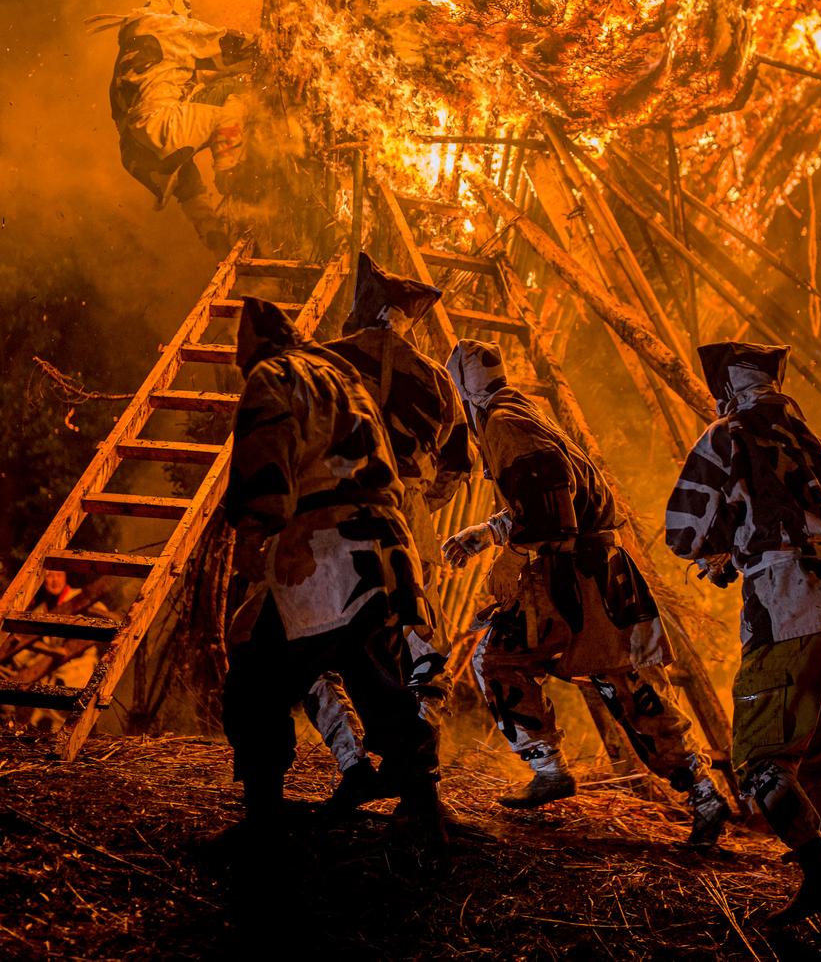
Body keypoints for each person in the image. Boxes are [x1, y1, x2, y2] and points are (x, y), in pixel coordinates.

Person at [442, 339, 730, 848]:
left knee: (510, 663)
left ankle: (556, 770)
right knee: (616, 684)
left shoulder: (504, 423)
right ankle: (697, 792)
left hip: (576, 578)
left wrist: (511, 556)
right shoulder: (523, 413)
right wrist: (487, 533)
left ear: (464, 390)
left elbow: (552, 506)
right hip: (593, 572)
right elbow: (553, 496)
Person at [665, 340, 821, 943]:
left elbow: (682, 531)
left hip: (788, 605)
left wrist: (725, 553)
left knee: (760, 764)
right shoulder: (811, 440)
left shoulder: (726, 435)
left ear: (728, 388)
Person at [221, 297, 447, 843]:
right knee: (379, 677)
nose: (239, 360)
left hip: (323, 547)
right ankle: (422, 804)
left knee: (256, 677)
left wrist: (253, 530)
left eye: (240, 350)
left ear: (258, 344)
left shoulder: (274, 376)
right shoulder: (343, 376)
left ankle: (264, 818)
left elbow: (265, 459)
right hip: (386, 544)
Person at [305, 252, 473, 812]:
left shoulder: (322, 362)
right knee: (419, 646)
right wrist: (416, 498)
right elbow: (457, 468)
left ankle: (353, 763)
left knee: (309, 644)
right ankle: (420, 777)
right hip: (406, 524)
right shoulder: (437, 380)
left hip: (332, 519)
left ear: (365, 307)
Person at [96, 0, 256, 253]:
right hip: (162, 124)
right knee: (238, 91)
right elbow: (229, 46)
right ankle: (227, 172)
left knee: (187, 186)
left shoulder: (132, 52)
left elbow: (184, 83)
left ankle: (211, 231)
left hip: (135, 152)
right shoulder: (165, 25)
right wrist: (271, 48)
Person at [0, 571, 113, 732]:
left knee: (79, 712)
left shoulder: (80, 598)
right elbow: (26, 648)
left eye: (58, 576)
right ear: (42, 580)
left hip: (79, 667)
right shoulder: (41, 610)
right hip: (52, 669)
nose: (55, 581)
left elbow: (106, 621)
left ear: (65, 577)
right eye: (50, 576)